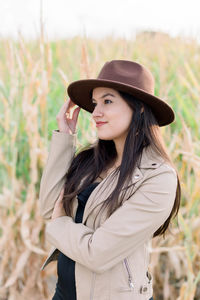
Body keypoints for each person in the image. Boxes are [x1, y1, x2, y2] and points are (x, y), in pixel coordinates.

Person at [39, 59, 181, 300]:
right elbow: (48, 207)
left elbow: (97, 254)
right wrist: (65, 137)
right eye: (94, 104)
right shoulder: (91, 161)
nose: (95, 113)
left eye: (107, 101)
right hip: (63, 294)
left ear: (140, 108)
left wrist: (58, 226)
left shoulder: (158, 178)